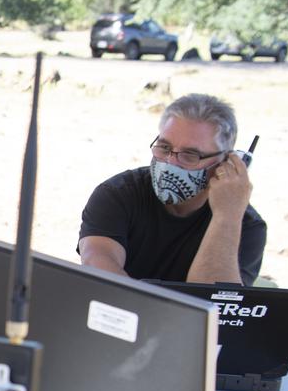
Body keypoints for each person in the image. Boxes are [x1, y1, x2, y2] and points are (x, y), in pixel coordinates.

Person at [79, 93, 266, 285]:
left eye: (190, 155)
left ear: (226, 162)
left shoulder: (246, 224)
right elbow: (98, 271)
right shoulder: (118, 194)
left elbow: (213, 300)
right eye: (164, 147)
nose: (170, 162)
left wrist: (226, 216)